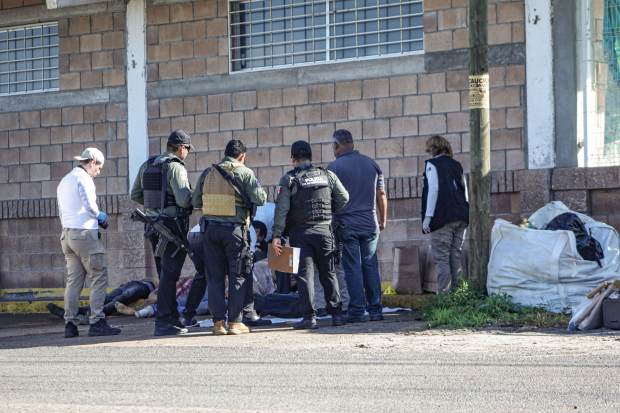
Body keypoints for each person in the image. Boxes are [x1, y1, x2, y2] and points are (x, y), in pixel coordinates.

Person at [192, 139, 267, 335]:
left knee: (214, 277)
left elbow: (196, 201)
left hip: (209, 231)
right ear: (242, 156)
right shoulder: (245, 172)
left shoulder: (208, 172)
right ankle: (235, 322)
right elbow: (261, 198)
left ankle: (218, 324)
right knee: (238, 274)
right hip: (234, 232)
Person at [272, 140, 349, 330]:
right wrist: (329, 211)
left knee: (305, 276)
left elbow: (281, 210)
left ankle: (309, 318)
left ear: (292, 159)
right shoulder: (327, 175)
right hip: (325, 231)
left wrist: (276, 235)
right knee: (328, 273)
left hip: (300, 233)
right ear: (312, 158)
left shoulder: (289, 179)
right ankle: (337, 316)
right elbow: (344, 198)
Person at [131, 130, 194, 336]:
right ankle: (163, 322)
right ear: (182, 149)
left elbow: (135, 194)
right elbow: (184, 200)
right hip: (171, 227)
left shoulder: (148, 164)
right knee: (170, 275)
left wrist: (154, 208)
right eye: (187, 150)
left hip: (152, 225)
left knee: (164, 274)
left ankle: (172, 318)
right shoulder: (176, 167)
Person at [57, 148, 121, 338]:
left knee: (73, 282)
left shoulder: (65, 179)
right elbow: (89, 206)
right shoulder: (84, 178)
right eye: (99, 168)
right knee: (99, 277)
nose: (98, 172)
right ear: (92, 162)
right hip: (84, 236)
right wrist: (99, 216)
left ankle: (70, 325)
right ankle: (97, 322)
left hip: (67, 236)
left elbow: (61, 211)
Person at [328, 129, 386, 323]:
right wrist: (383, 219)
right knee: (370, 266)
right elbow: (381, 195)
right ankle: (376, 310)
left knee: (352, 267)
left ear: (336, 145)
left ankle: (356, 311)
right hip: (370, 225)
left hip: (346, 225)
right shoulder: (372, 164)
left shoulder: (333, 168)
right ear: (351, 143)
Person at [421, 135, 469, 294]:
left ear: (433, 149)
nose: (428, 154)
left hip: (442, 216)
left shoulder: (432, 164)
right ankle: (459, 294)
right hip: (461, 215)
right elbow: (465, 191)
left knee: (441, 258)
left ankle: (445, 297)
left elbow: (433, 190)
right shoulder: (457, 165)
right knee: (455, 256)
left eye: (429, 150)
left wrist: (428, 218)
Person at [47, 277, 158, 321]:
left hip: (146, 287)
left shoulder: (167, 279)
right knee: (107, 298)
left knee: (122, 297)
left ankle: (94, 314)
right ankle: (73, 312)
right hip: (132, 283)